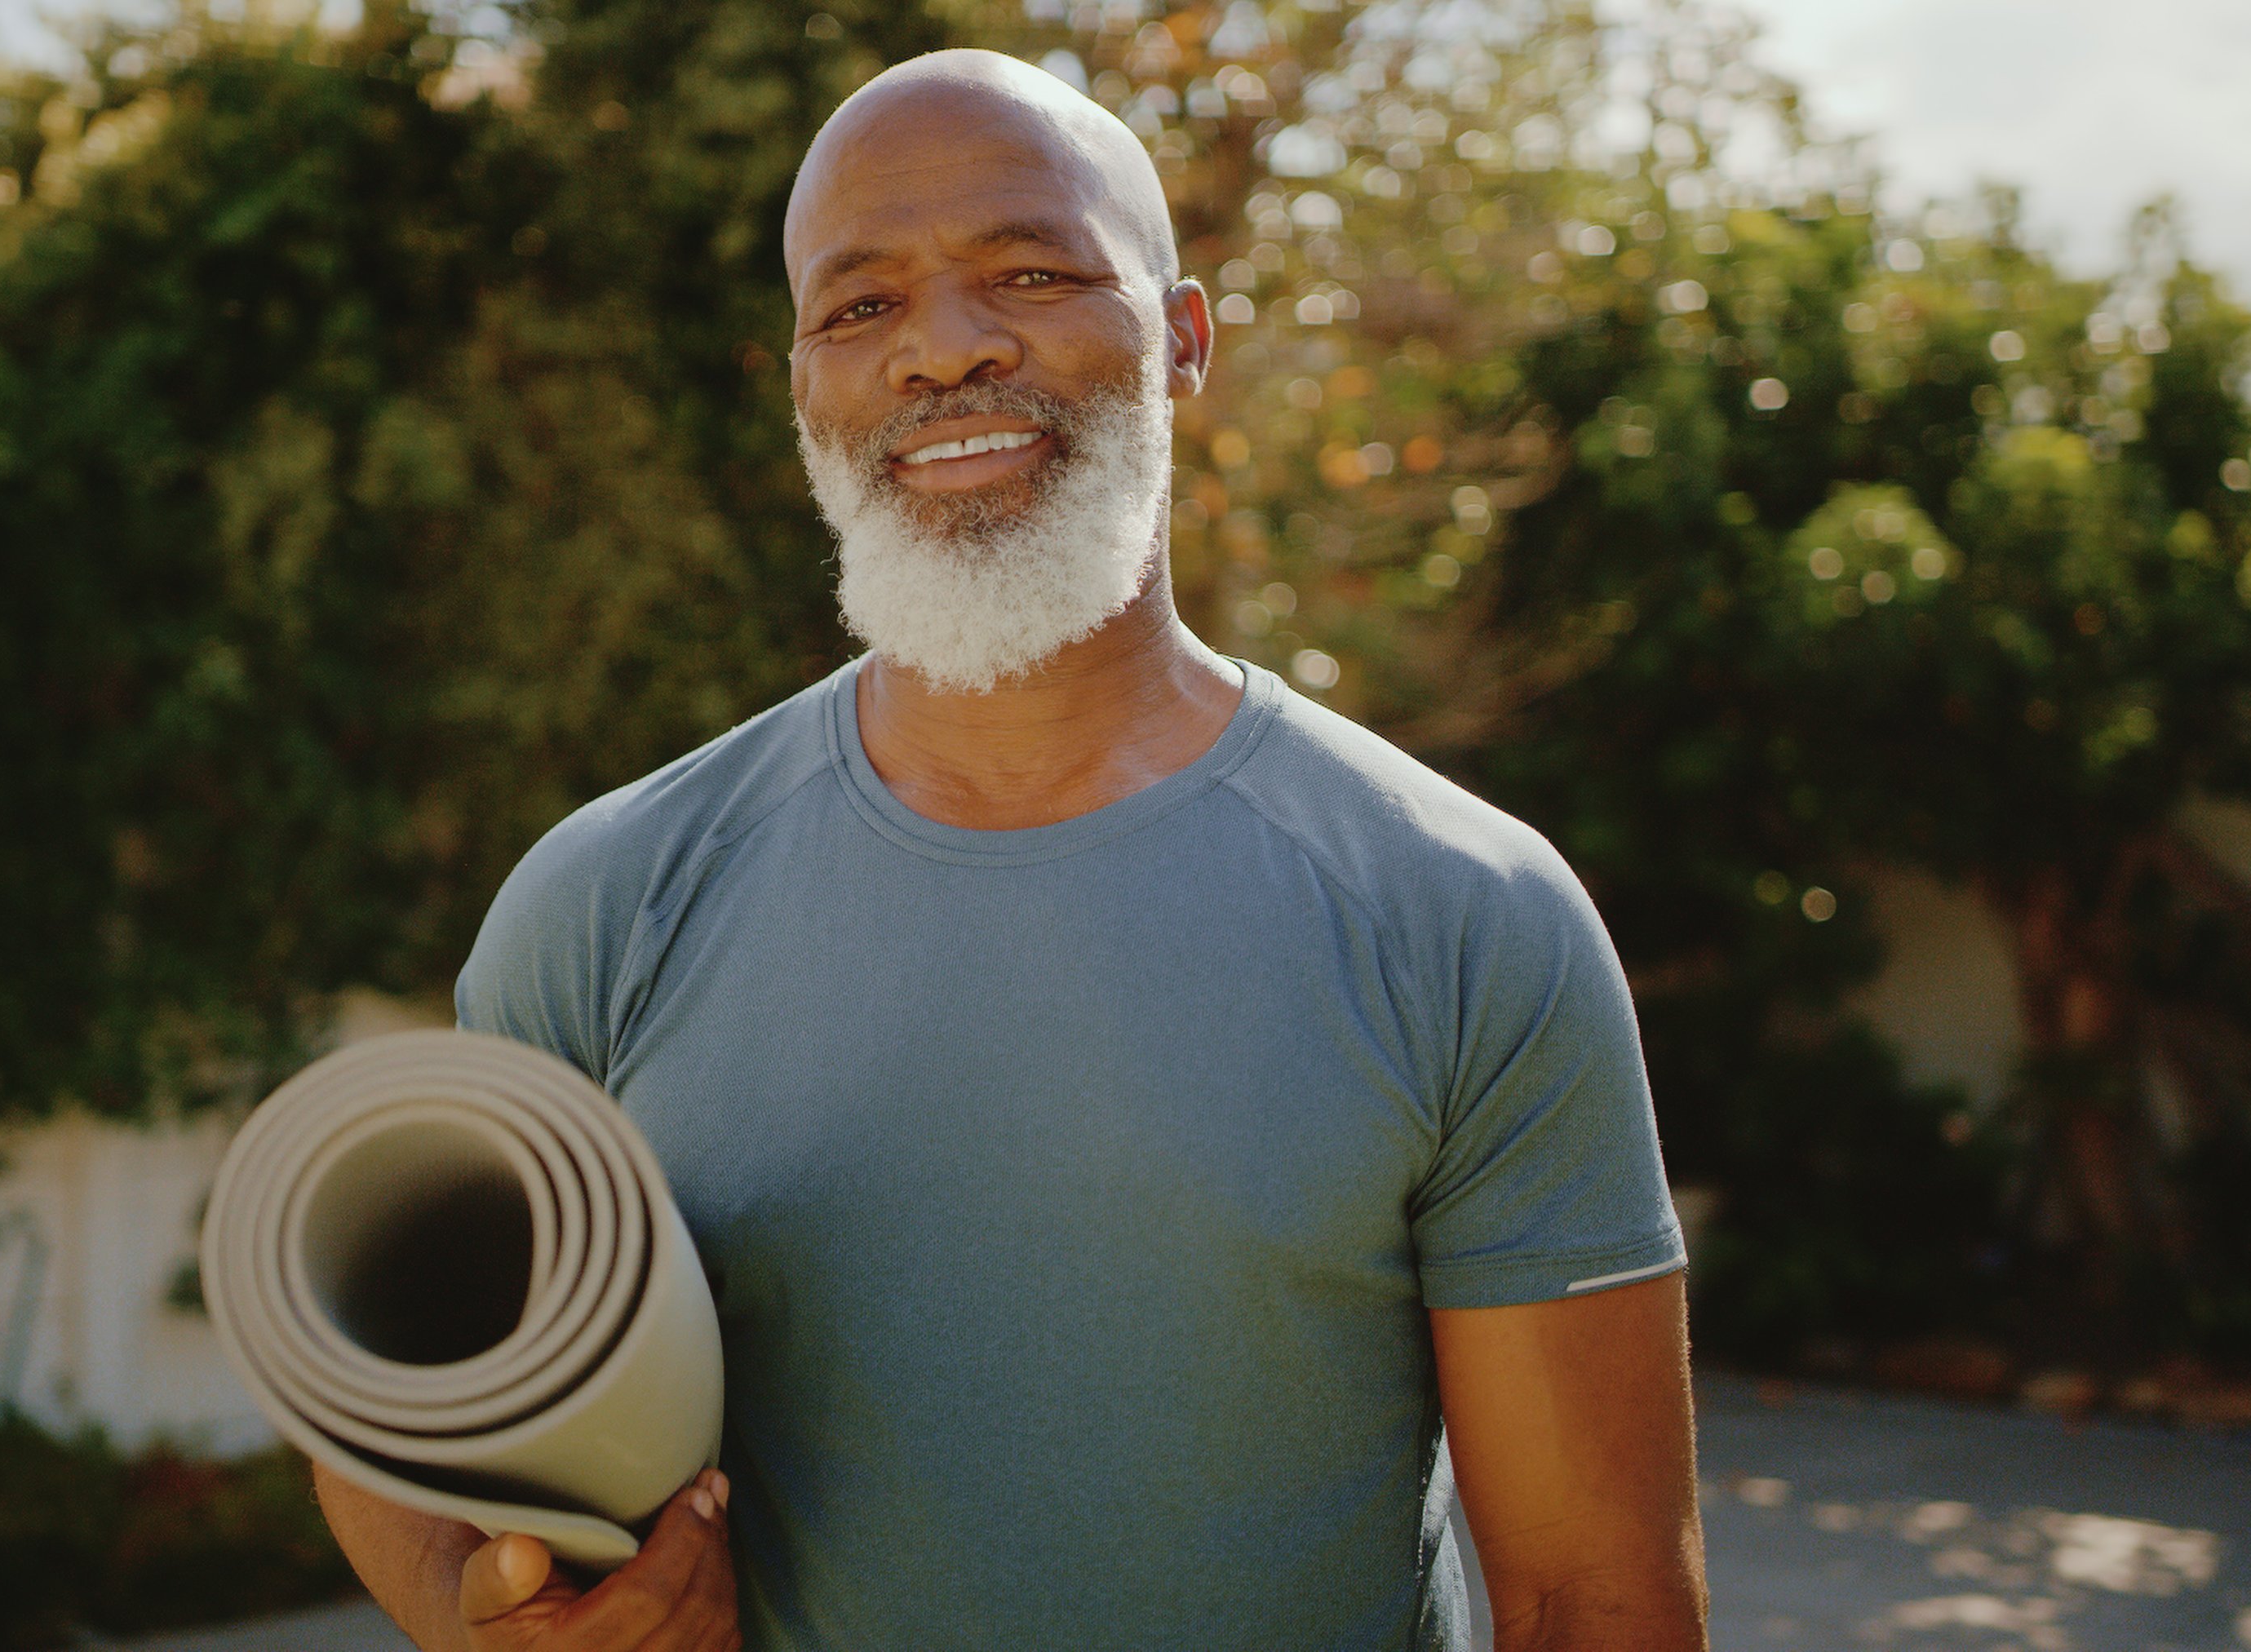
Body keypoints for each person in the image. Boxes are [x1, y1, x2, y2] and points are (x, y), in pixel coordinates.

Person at [317, 47, 1707, 1652]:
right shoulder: (604, 901)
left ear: (1182, 340)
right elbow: (391, 1387)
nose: (944, 350)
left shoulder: (1469, 910)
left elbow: (1589, 1595)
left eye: (1030, 273)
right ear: (804, 391)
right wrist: (479, 1609)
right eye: (860, 308)